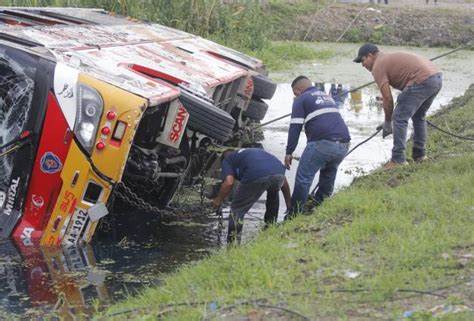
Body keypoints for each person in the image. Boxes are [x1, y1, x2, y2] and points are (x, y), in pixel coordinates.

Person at [353, 43, 442, 168]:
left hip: (422, 79)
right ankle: (419, 155)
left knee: (399, 118)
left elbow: (387, 98)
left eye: (362, 60)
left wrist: (388, 122)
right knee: (418, 116)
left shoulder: (378, 66)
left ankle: (398, 160)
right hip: (436, 77)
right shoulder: (386, 58)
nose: (362, 65)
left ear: (370, 55)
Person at [285, 76, 350, 217]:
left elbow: (295, 127)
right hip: (344, 144)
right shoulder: (326, 96)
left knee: (304, 178)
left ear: (298, 90)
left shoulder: (301, 99)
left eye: (295, 93)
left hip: (322, 143)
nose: (295, 96)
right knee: (328, 175)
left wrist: (289, 151)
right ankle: (320, 209)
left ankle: (294, 215)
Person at [212, 148, 291, 243]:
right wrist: (289, 203)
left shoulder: (227, 159)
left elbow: (229, 182)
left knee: (237, 209)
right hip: (279, 173)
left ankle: (233, 243)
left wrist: (218, 200)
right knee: (273, 193)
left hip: (256, 174)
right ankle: (270, 228)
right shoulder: (248, 153)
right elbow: (284, 181)